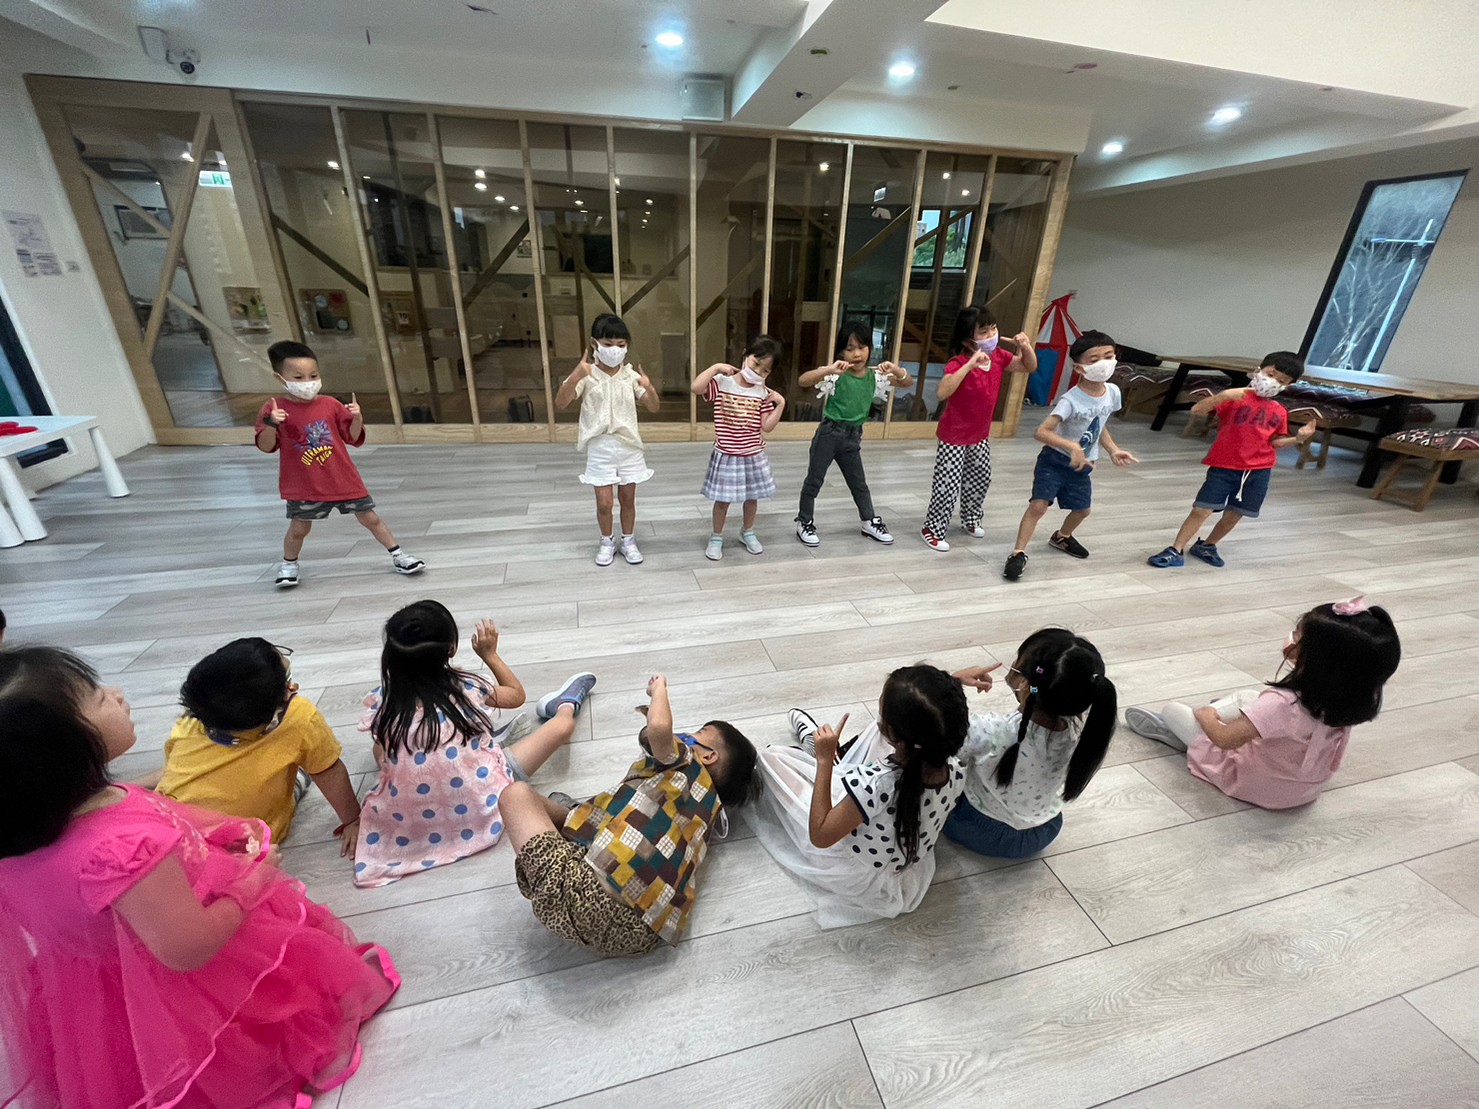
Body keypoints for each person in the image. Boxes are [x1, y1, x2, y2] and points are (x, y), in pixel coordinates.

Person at [0, 646, 398, 1109]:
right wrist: (252, 880)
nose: (117, 694)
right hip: (182, 987)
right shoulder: (118, 852)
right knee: (243, 1045)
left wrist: (216, 829)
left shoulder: (54, 814)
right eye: (98, 697)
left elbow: (152, 805)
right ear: (62, 750)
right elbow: (189, 949)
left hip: (98, 987)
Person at [500, 674, 758, 955]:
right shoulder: (707, 815)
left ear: (709, 756)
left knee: (515, 794)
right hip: (640, 934)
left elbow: (659, 728)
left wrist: (658, 690)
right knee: (584, 812)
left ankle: (568, 824)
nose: (689, 734)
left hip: (583, 897)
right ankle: (572, 817)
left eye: (700, 731)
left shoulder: (687, 760)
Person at [355, 600, 595, 888]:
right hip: (488, 799)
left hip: (416, 823)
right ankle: (565, 704)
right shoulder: (467, 687)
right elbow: (516, 695)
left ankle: (469, 742)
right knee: (562, 726)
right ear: (452, 649)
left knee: (384, 751)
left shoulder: (382, 703)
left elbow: (381, 751)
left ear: (391, 656)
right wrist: (490, 654)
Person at [750, 664, 973, 929]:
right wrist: (947, 690)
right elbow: (929, 724)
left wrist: (824, 760)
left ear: (897, 737)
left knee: (770, 758)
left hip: (855, 872)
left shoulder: (877, 785)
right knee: (875, 732)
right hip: (905, 869)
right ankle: (835, 756)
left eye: (883, 716)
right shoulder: (957, 769)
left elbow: (821, 835)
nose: (880, 720)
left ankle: (826, 753)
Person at [1126, 597, 1401, 808]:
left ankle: (1183, 735)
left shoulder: (1281, 704)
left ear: (1316, 657)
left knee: (1174, 710)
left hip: (1255, 785)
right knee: (1250, 698)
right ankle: (1222, 722)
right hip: (1304, 790)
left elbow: (1224, 739)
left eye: (1298, 635)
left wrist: (1205, 714)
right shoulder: (1351, 699)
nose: (1292, 638)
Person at [157, 637, 363, 853]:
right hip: (242, 847)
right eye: (287, 679)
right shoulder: (297, 717)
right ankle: (299, 776)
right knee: (300, 772)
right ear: (276, 708)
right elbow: (329, 771)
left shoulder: (188, 724)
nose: (294, 687)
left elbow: (171, 768)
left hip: (166, 828)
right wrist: (352, 821)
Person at [255, 339, 424, 589]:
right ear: (280, 378)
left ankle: (399, 555)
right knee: (299, 528)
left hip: (342, 478)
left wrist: (357, 418)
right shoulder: (274, 409)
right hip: (304, 484)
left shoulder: (330, 404)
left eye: (313, 375)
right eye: (298, 377)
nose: (307, 382)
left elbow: (353, 438)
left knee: (370, 518)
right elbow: (266, 446)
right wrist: (271, 424)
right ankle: (289, 564)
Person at [945, 629, 1117, 858]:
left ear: (1025, 684)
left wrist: (953, 681)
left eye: (1018, 664)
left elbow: (938, 733)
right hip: (1044, 831)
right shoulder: (1081, 737)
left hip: (981, 831)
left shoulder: (989, 730)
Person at [1147, 351, 1317, 568]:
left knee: (1236, 513)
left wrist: (1297, 439)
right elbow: (1197, 410)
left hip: (1259, 471)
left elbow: (1275, 442)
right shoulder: (1236, 397)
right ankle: (1176, 549)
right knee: (1202, 509)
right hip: (1224, 466)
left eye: (1281, 381)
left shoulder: (1279, 411)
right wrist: (1224, 396)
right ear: (1258, 371)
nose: (1273, 381)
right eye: (1270, 374)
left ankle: (1207, 545)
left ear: (1287, 386)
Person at [1004, 330, 1138, 581]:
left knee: (1083, 511)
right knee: (1038, 506)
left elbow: (1099, 425)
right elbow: (1041, 432)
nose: (1104, 363)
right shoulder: (1070, 400)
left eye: (1109, 356)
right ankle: (1018, 553)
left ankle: (1062, 537)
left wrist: (1113, 449)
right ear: (1079, 368)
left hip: (1083, 466)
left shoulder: (1113, 392)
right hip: (1054, 461)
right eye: (1094, 359)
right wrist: (1071, 446)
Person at [920, 306, 1037, 552]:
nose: (991, 335)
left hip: (980, 435)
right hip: (954, 436)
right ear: (967, 340)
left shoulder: (999, 356)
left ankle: (971, 518)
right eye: (983, 332)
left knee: (980, 478)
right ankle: (932, 529)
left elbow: (1028, 367)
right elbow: (942, 392)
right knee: (948, 485)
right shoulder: (958, 362)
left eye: (993, 329)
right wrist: (969, 365)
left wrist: (1025, 347)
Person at [794, 320, 913, 548]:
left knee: (859, 483)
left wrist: (896, 369)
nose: (856, 354)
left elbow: (907, 382)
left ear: (870, 348)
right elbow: (803, 380)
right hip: (829, 434)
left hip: (852, 437)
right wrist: (829, 369)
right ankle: (804, 521)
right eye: (849, 349)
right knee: (814, 480)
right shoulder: (837, 374)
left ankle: (868, 520)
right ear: (841, 351)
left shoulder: (875, 376)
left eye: (861, 347)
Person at [554, 313, 661, 567]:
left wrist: (649, 387)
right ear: (595, 344)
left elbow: (654, 407)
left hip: (628, 446)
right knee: (604, 502)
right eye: (608, 344)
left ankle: (628, 540)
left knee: (628, 499)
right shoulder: (587, 374)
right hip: (600, 446)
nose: (615, 350)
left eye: (621, 345)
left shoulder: (630, 376)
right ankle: (606, 541)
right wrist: (576, 375)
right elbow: (561, 403)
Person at [691, 336, 786, 560]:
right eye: (755, 363)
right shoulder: (723, 383)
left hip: (753, 454)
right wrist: (715, 368)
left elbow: (767, 427)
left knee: (752, 498)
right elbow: (696, 388)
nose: (758, 372)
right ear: (745, 355)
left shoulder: (762, 392)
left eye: (765, 370)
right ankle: (716, 537)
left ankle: (747, 531)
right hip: (727, 453)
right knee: (722, 500)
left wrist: (780, 403)